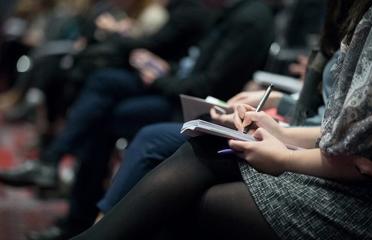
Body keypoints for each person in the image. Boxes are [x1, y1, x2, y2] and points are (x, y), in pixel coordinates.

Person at [72, 0, 372, 239]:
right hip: (328, 156)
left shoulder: (252, 16)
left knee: (187, 186)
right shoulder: (360, 13)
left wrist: (285, 153)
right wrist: (281, 131)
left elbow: (363, 158)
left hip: (363, 202)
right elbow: (341, 133)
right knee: (194, 145)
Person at [5, 1, 275, 239]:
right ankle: (77, 213)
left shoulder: (244, 18)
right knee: (101, 93)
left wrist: (159, 77)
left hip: (201, 108)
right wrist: (162, 69)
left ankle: (84, 216)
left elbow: (208, 84)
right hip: (182, 92)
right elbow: (189, 64)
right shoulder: (223, 11)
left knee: (123, 122)